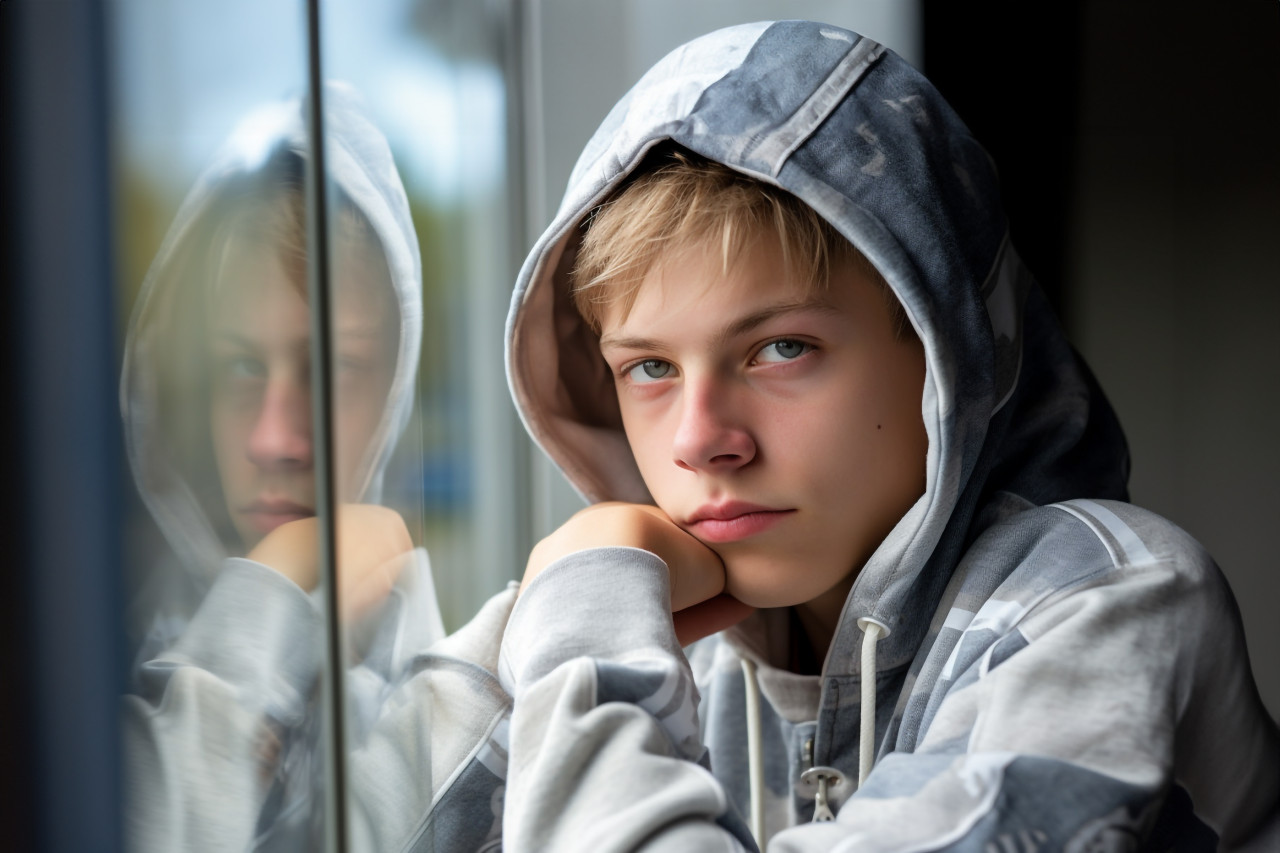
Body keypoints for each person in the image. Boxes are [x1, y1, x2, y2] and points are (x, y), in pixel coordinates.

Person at [496, 20, 1280, 850]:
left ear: (948, 358)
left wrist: (587, 632)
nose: (701, 440)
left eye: (781, 349)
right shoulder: (666, 631)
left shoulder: (1111, 601)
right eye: (649, 368)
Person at [120, 85, 511, 851]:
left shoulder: (452, 686)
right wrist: (268, 600)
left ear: (395, 385)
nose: (276, 437)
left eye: (332, 369)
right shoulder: (88, 672)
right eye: (238, 365)